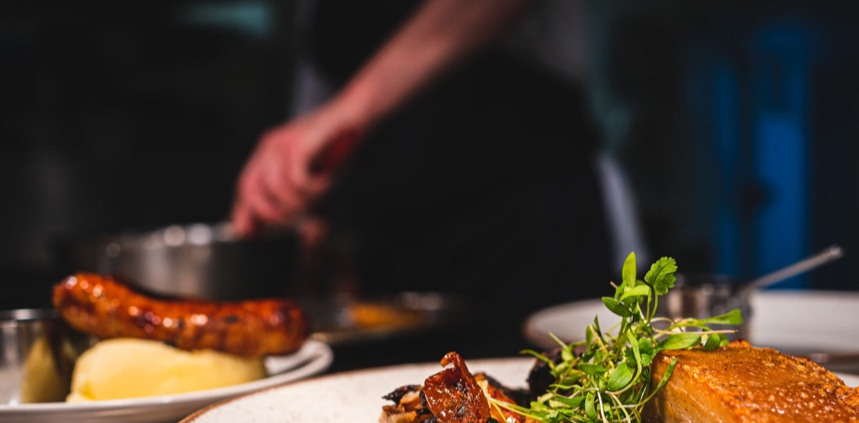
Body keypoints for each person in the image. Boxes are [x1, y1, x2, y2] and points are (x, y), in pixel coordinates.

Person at [229, 0, 616, 326]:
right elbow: (323, 69)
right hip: (387, 253)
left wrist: (348, 112)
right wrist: (299, 186)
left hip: (527, 228)